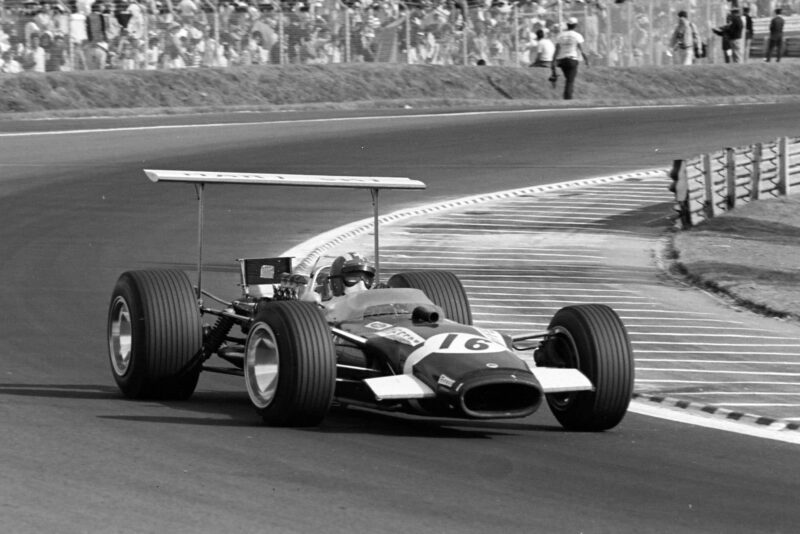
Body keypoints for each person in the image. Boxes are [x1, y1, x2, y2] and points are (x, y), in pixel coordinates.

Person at [551, 17, 589, 100]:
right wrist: (586, 60)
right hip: (572, 60)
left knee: (568, 78)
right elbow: (582, 50)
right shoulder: (577, 36)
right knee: (570, 80)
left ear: (567, 25)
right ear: (575, 25)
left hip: (562, 60)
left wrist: (553, 61)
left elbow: (557, 50)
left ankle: (567, 96)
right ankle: (568, 98)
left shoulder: (560, 35)